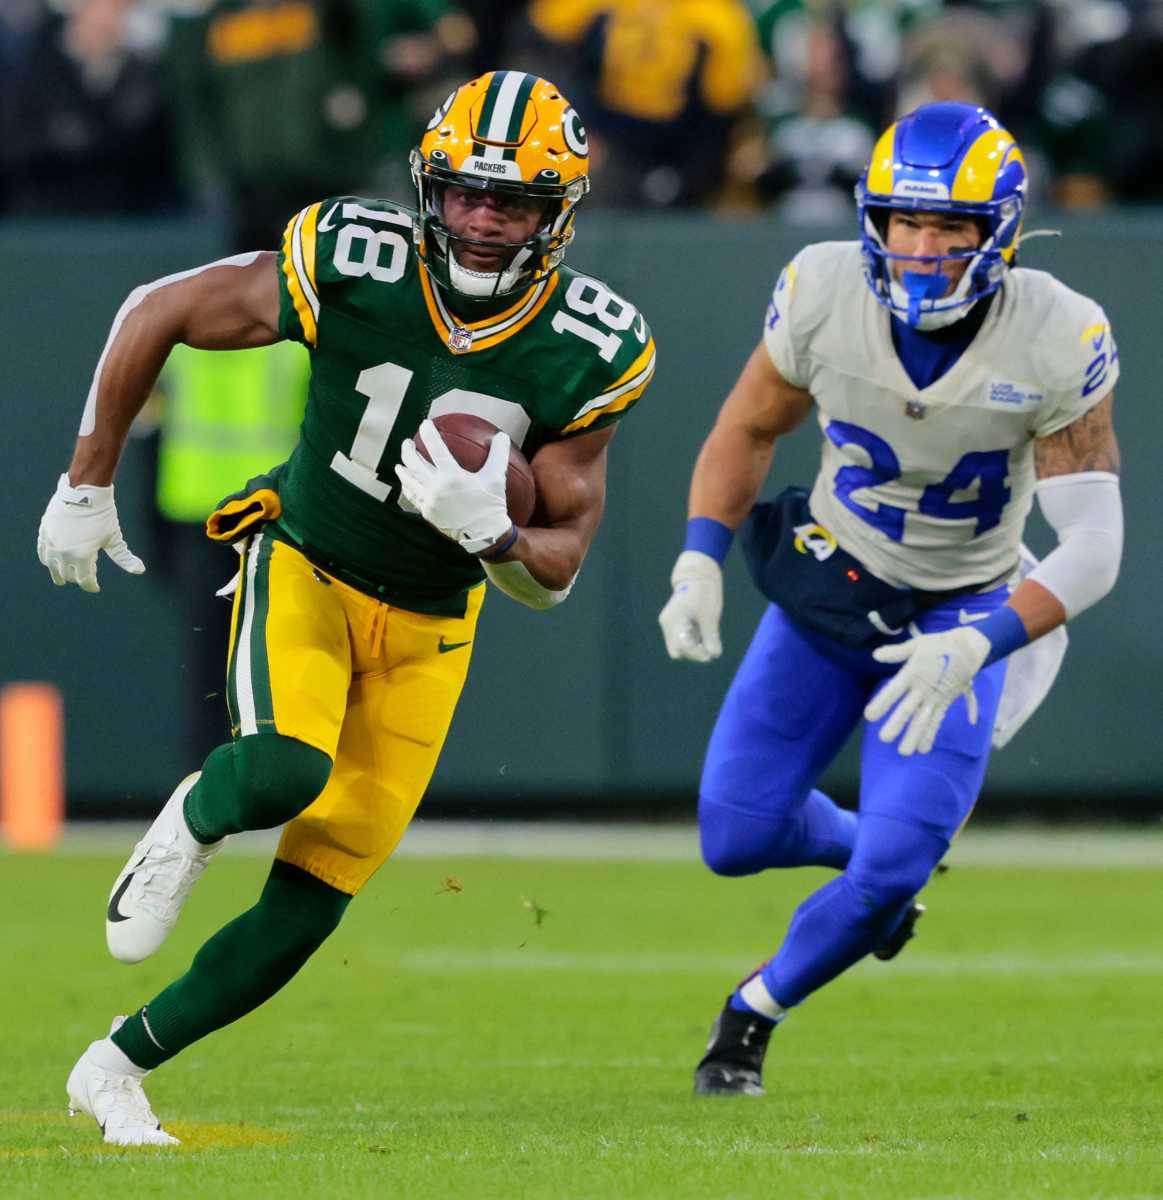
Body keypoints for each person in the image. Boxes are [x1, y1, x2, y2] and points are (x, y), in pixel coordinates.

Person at [38, 69, 655, 1145]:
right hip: (309, 563)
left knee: (314, 897)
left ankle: (115, 1067)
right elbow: (159, 307)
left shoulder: (591, 346)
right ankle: (191, 821)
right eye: (462, 193)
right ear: (427, 185)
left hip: (433, 625)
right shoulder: (354, 255)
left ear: (554, 215)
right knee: (284, 769)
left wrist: (496, 536)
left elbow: (555, 570)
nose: (479, 220)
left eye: (509, 203)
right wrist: (86, 483)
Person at [658, 101, 1122, 1096]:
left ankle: (750, 1016)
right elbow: (746, 429)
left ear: (998, 230)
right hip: (837, 582)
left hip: (964, 605)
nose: (919, 247)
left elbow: (1093, 547)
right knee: (734, 837)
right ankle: (869, 854)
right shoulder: (822, 289)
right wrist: (697, 560)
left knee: (890, 871)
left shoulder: (1054, 330)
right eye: (903, 221)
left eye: (948, 226)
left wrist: (982, 641)